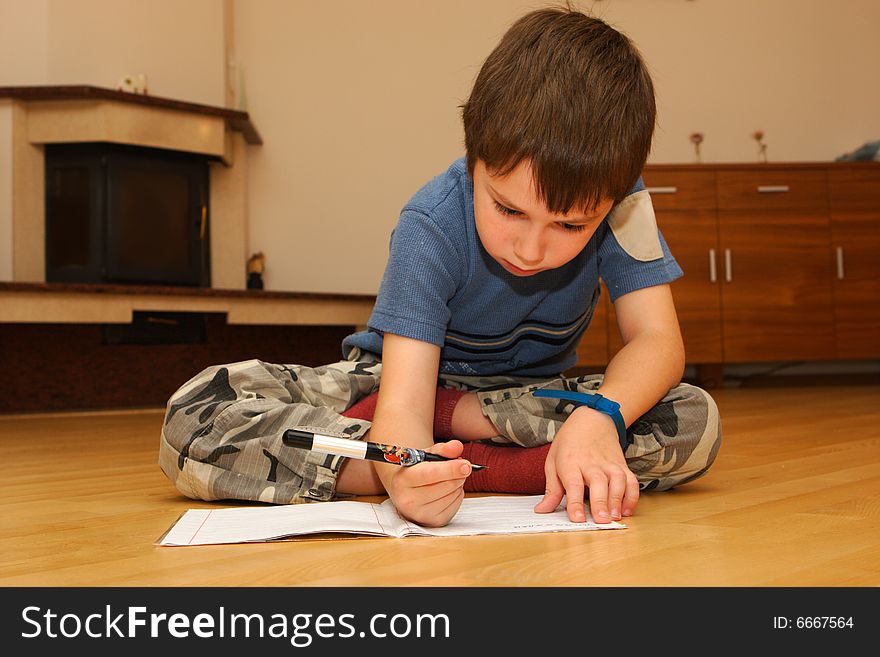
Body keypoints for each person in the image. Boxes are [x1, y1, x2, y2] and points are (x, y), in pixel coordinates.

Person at [159, 6, 721, 528]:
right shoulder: (431, 222)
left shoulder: (625, 206)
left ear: (613, 197)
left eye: (570, 226)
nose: (529, 248)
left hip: (529, 399)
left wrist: (598, 419)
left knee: (693, 418)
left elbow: (657, 341)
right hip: (395, 386)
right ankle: (473, 465)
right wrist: (404, 467)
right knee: (195, 413)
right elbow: (402, 402)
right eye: (507, 209)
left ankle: (447, 458)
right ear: (474, 159)